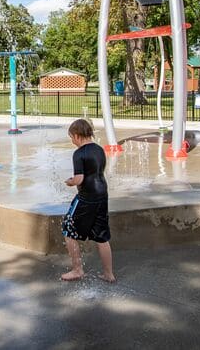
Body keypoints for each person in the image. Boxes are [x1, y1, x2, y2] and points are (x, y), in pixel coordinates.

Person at [60, 119, 115, 283]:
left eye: (71, 137)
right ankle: (108, 274)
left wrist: (70, 182)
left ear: (77, 135)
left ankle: (77, 269)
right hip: (102, 195)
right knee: (101, 236)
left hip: (86, 197)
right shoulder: (99, 149)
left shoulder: (79, 154)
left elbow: (79, 179)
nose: (72, 141)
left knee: (68, 229)